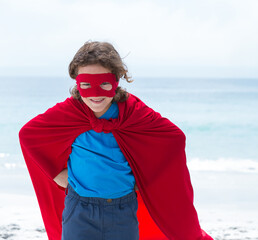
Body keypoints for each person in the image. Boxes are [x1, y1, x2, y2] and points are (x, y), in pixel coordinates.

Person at [19, 41, 213, 240]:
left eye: (103, 83)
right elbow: (29, 135)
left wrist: (146, 179)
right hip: (79, 209)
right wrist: (54, 173)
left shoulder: (132, 112)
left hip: (122, 208)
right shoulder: (70, 112)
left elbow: (173, 138)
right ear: (77, 83)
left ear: (117, 80)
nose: (95, 94)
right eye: (86, 84)